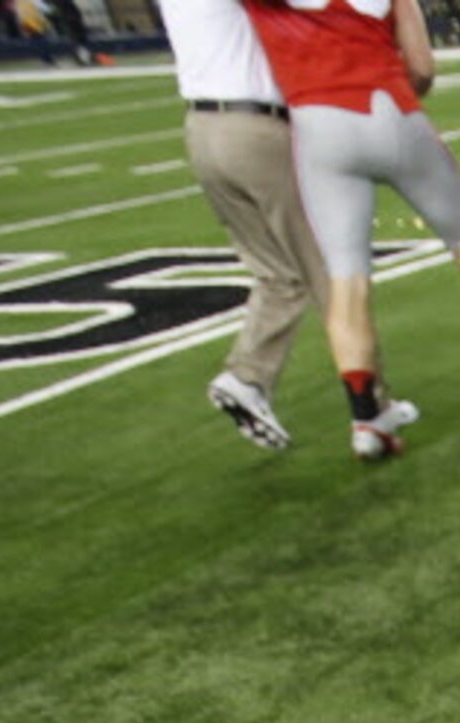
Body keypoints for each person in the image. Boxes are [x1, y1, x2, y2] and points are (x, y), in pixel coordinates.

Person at [240, 0, 460, 461]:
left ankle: (365, 419)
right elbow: (422, 67)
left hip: (321, 123)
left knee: (346, 278)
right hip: (395, 109)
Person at [153, 0, 328, 450]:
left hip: (200, 127)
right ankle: (372, 403)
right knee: (326, 269)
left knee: (277, 273)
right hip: (254, 125)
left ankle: (247, 377)